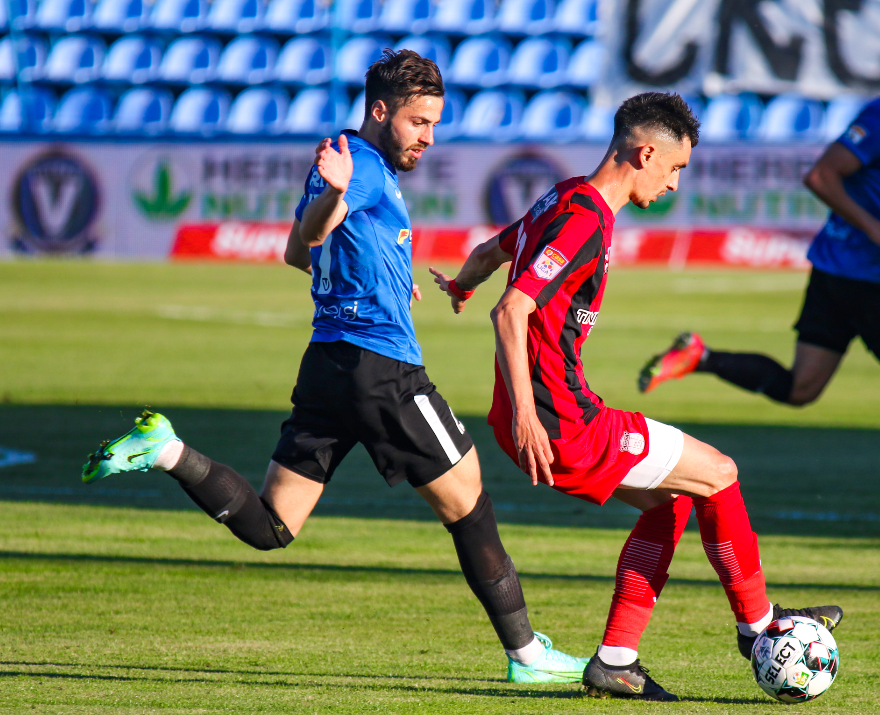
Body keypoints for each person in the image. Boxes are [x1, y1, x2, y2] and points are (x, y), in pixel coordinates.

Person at [79, 49, 588, 685]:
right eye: (419, 122)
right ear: (381, 111)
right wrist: (343, 196)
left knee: (272, 526)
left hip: (329, 363)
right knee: (470, 502)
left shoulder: (342, 161)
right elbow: (316, 236)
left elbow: (297, 250)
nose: (430, 137)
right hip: (383, 369)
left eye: (435, 123)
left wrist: (387, 271)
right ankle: (527, 655)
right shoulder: (363, 167)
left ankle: (167, 451)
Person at [429, 92, 842, 702]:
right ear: (645, 151)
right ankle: (758, 629)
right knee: (720, 474)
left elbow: (491, 253)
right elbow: (512, 309)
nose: (675, 184)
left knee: (671, 502)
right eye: (674, 169)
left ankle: (617, 660)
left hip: (547, 416)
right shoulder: (585, 218)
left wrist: (460, 283)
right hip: (558, 422)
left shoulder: (563, 195)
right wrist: (527, 412)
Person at [637, 36, 880, 535]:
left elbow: (878, 181)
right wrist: (877, 229)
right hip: (869, 277)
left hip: (834, 271)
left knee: (801, 388)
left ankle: (701, 357)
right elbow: (822, 177)